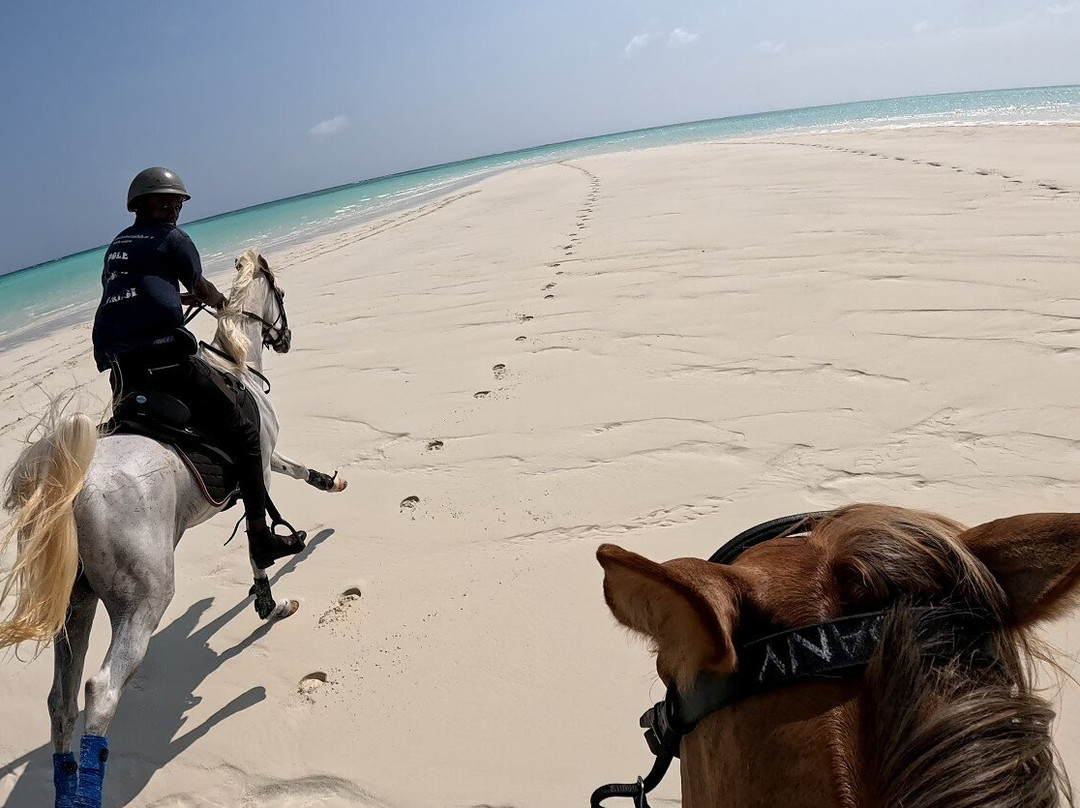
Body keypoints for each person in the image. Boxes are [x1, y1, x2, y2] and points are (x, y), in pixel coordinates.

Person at [91, 166, 302, 569]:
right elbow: (202, 286)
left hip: (120, 370)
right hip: (166, 360)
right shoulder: (174, 240)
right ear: (140, 205)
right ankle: (261, 538)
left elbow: (133, 290)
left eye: (177, 201)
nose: (172, 207)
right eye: (163, 200)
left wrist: (174, 299)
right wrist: (221, 302)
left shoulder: (117, 245)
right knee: (246, 434)